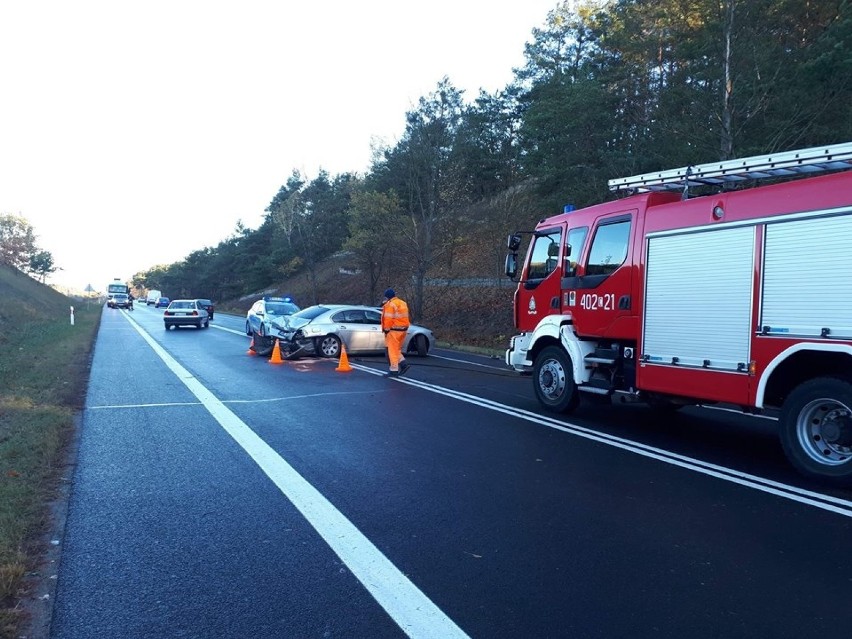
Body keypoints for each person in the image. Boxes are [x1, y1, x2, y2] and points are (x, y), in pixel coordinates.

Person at [381, 288, 410, 377]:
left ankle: (394, 370)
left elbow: (388, 318)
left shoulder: (390, 304)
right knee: (397, 349)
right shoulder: (402, 303)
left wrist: (386, 329)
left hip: (394, 330)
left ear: (387, 296)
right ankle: (403, 364)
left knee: (392, 350)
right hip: (403, 330)